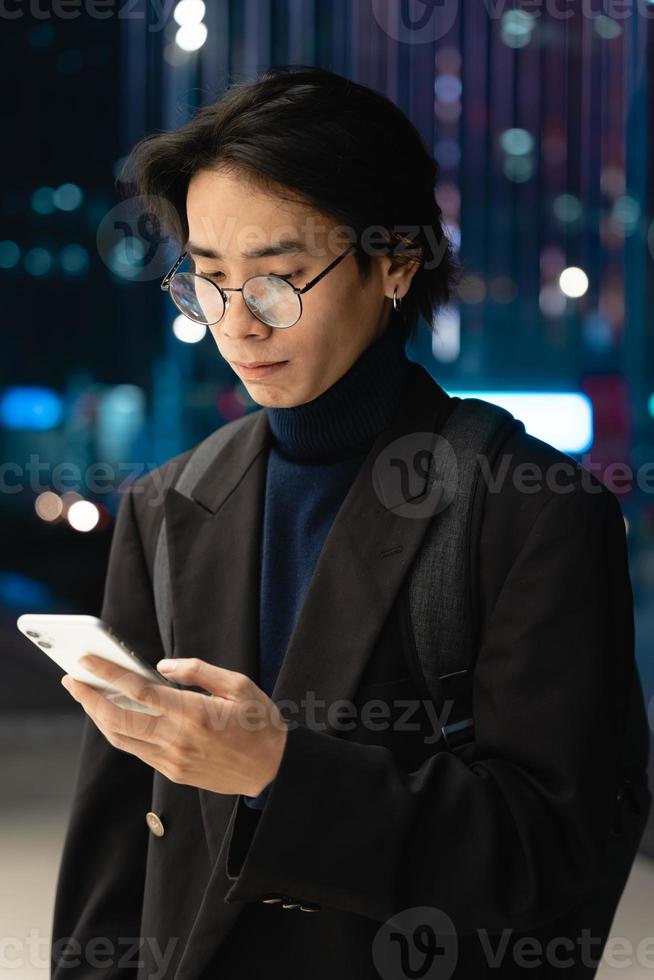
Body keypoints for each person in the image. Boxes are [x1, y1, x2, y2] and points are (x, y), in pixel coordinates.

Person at [51, 66, 650, 980]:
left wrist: (283, 774)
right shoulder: (167, 505)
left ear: (397, 261)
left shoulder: (531, 511)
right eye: (207, 282)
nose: (237, 323)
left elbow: (558, 853)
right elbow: (113, 870)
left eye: (278, 280)